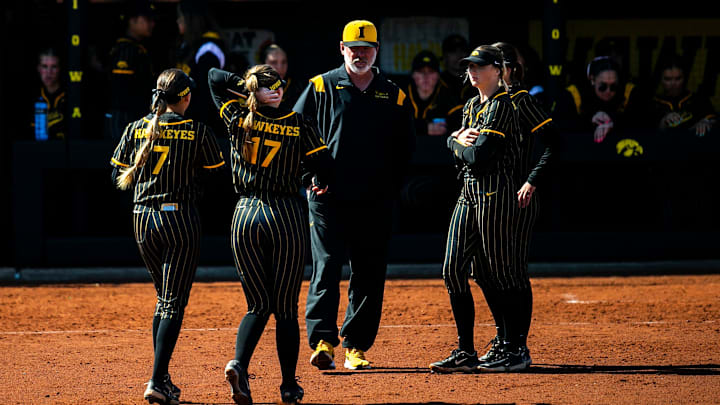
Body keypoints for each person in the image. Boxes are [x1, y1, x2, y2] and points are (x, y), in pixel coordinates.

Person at [293, 19, 415, 371]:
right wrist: (309, 175)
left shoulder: (394, 93)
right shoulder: (319, 87)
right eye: (353, 47)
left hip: (374, 200)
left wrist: (391, 187)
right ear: (341, 48)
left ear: (377, 51)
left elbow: (406, 147)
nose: (360, 54)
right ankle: (322, 342)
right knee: (327, 266)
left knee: (369, 271)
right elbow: (296, 132)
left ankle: (356, 346)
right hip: (327, 197)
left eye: (367, 48)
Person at [208, 64, 333, 405]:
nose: (276, 90)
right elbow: (325, 167)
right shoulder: (298, 122)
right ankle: (289, 385)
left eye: (279, 85)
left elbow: (213, 78)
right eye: (267, 86)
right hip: (284, 215)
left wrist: (248, 87)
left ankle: (239, 364)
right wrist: (314, 179)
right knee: (286, 309)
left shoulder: (237, 117)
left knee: (258, 304)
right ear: (255, 91)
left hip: (245, 214)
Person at [110, 68, 225, 405]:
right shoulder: (198, 131)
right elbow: (217, 179)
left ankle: (163, 378)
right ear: (186, 97)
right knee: (173, 301)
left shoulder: (135, 127)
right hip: (179, 220)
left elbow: (117, 170)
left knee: (164, 299)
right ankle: (158, 379)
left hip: (142, 219)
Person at [428, 44, 526, 373]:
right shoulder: (471, 104)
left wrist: (454, 141)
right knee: (453, 270)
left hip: (495, 193)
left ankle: (514, 348)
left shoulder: (502, 106)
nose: (472, 71)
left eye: (480, 66)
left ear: (498, 71)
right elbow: (459, 148)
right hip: (468, 193)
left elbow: (477, 155)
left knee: (501, 273)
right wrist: (455, 141)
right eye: (470, 66)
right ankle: (466, 352)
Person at [483, 41, 560, 370]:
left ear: (508, 70)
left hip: (518, 197)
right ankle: (504, 339)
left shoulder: (520, 101)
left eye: (494, 65)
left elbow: (555, 143)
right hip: (489, 199)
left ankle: (517, 347)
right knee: (485, 271)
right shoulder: (483, 103)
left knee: (511, 272)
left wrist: (532, 180)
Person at [399, 49, 464, 233]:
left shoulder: (446, 93)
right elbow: (392, 124)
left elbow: (461, 122)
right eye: (421, 73)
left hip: (440, 166)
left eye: (431, 73)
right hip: (406, 165)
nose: (426, 78)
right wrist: (423, 128)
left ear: (438, 75)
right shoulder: (402, 93)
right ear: (413, 75)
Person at [560, 56, 646, 143]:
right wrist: (590, 121)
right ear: (592, 80)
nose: (608, 91)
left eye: (613, 86)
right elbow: (560, 124)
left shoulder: (628, 92)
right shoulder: (574, 93)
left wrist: (613, 122)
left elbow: (643, 121)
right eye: (603, 86)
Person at [175, 0, 228, 138]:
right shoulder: (188, 45)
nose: (178, 20)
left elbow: (207, 94)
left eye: (181, 16)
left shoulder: (209, 48)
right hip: (187, 122)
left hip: (203, 128)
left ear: (191, 20)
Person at [105, 0, 156, 141]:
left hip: (135, 117)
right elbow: (120, 90)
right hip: (122, 119)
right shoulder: (125, 50)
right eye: (147, 19)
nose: (152, 24)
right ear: (132, 21)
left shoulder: (138, 48)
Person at [651, 55, 716, 137]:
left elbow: (713, 118)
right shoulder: (652, 103)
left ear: (685, 78)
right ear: (661, 80)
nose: (673, 84)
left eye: (678, 78)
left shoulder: (697, 99)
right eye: (668, 79)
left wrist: (706, 121)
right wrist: (663, 122)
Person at [32, 47, 66, 140]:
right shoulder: (33, 97)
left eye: (53, 67)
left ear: (59, 69)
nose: (49, 72)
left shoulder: (69, 96)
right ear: (39, 68)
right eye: (44, 66)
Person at [260, 43, 304, 111]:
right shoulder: (255, 87)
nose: (279, 67)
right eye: (274, 62)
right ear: (263, 64)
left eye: (284, 62)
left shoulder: (297, 88)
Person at [440, 34, 474, 104]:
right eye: (453, 51)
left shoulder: (475, 81)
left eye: (462, 50)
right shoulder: (437, 82)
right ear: (445, 56)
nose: (459, 55)